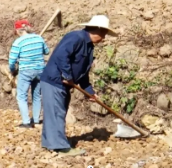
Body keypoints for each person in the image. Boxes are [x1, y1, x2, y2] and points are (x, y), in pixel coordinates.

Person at [41, 15, 117, 157]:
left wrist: (90, 93)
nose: (104, 38)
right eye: (104, 34)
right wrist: (67, 76)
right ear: (98, 30)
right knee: (56, 113)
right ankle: (60, 147)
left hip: (62, 84)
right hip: (54, 81)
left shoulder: (88, 47)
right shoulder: (75, 37)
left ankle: (50, 142)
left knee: (58, 113)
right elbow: (61, 56)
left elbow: (83, 74)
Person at [8, 19, 50, 128]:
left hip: (26, 71)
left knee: (21, 96)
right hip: (40, 70)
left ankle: (26, 122)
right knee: (37, 95)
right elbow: (47, 51)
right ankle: (36, 120)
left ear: (17, 30)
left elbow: (12, 61)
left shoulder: (18, 42)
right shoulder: (38, 38)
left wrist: (13, 70)